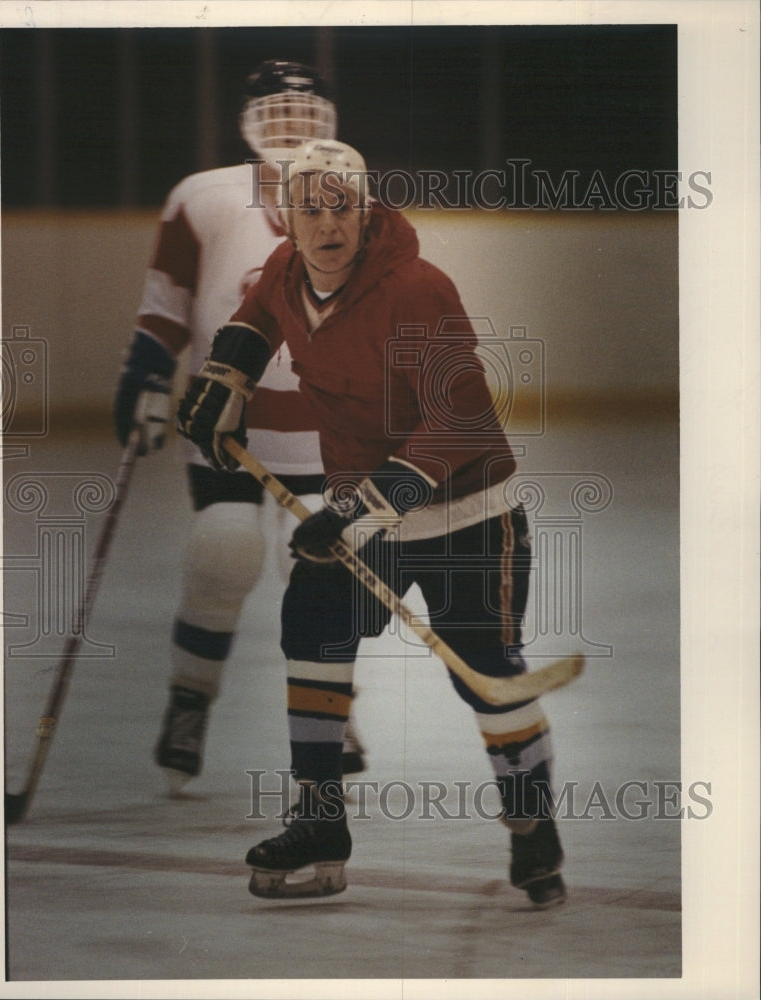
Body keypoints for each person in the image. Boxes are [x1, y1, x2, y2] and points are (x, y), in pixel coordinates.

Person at [177, 139, 567, 908]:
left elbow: (457, 422)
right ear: (285, 217)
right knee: (313, 625)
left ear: (365, 210)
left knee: (485, 678)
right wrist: (222, 388)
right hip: (370, 513)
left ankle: (532, 822)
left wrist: (353, 508)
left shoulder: (417, 290)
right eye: (310, 209)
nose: (328, 225)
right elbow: (252, 325)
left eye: (343, 207)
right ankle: (321, 818)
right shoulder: (286, 275)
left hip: (469, 516)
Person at [113, 61, 367, 795]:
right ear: (249, 119)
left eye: (305, 112)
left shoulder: (353, 198)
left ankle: (333, 711)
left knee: (321, 572)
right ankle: (189, 704)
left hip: (324, 429)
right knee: (222, 552)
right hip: (223, 421)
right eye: (276, 113)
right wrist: (145, 375)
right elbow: (166, 303)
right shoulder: (203, 198)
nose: (291, 128)